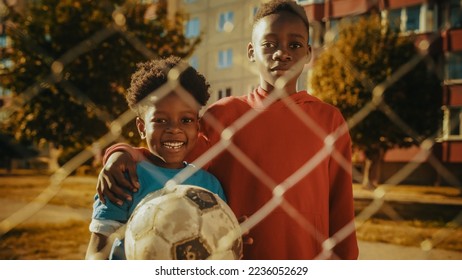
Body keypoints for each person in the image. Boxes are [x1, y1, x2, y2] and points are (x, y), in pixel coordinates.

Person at [98, 0, 359, 260]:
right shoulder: (223, 115)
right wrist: (121, 153)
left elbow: (341, 205)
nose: (282, 53)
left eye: (295, 44)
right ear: (251, 52)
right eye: (269, 45)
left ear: (308, 52)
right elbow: (174, 157)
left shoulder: (329, 120)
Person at [85, 56, 226, 260]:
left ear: (197, 127)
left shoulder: (210, 186)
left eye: (185, 120)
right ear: (142, 128)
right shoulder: (124, 178)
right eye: (160, 120)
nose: (174, 129)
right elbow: (97, 251)